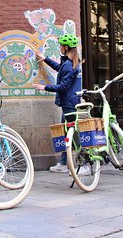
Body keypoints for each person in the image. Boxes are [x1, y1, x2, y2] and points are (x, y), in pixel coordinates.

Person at [33, 34, 83, 174]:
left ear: (65, 47)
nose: (60, 47)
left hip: (69, 103)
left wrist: (45, 87)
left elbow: (63, 87)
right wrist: (45, 59)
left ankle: (84, 163)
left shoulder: (69, 65)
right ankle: (62, 162)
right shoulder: (71, 62)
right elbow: (59, 68)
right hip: (70, 103)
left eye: (61, 45)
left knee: (74, 134)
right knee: (65, 132)